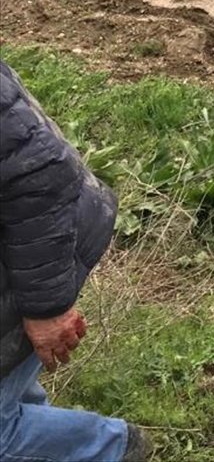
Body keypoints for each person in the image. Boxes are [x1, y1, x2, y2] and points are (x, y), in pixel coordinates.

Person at [0, 59, 146, 462]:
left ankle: (112, 450)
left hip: (28, 261)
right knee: (14, 394)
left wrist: (46, 307)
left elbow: (38, 178)